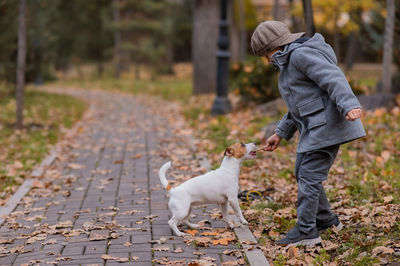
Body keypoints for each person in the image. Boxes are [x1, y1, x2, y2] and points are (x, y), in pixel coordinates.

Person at [251, 21, 366, 246]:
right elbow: (298, 104)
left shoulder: (300, 56)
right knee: (302, 172)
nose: (267, 61)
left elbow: (333, 78)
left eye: (266, 54)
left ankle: (306, 231)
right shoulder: (288, 63)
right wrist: (280, 133)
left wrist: (349, 104)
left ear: (276, 46)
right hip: (315, 128)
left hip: (328, 128)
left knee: (309, 177)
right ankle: (326, 220)